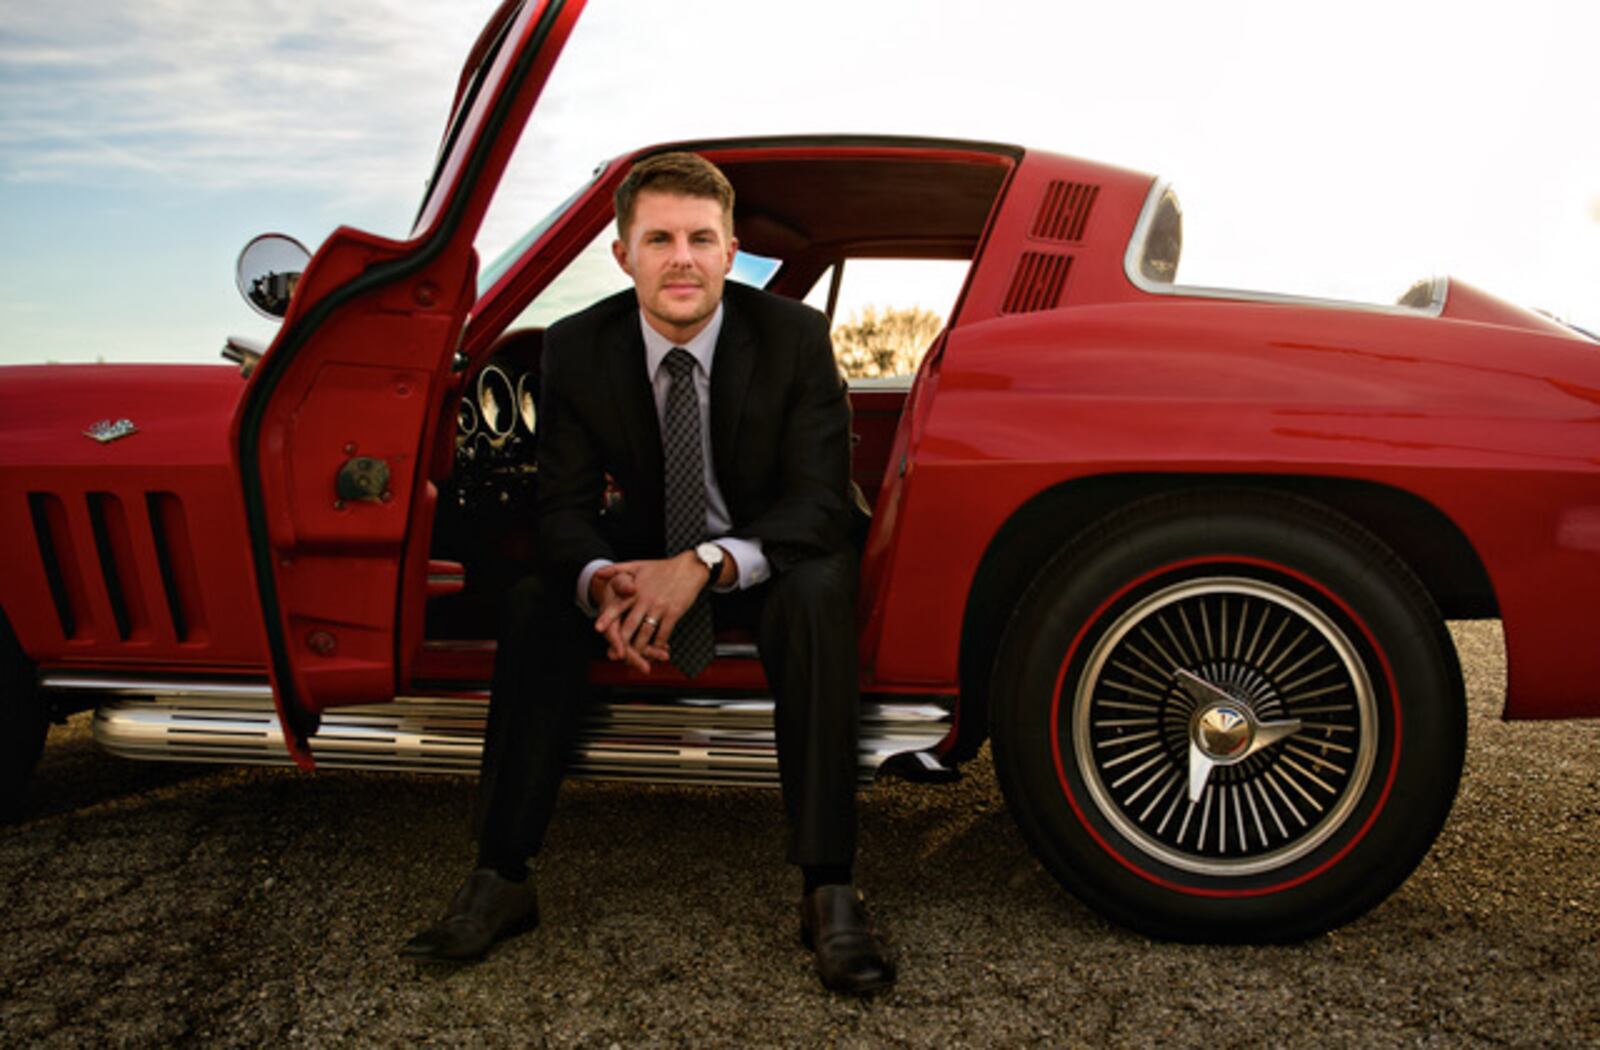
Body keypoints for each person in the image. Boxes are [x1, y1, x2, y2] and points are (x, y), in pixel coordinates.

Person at [403, 152, 894, 994]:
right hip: (643, 555)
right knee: (535, 602)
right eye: (659, 239)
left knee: (819, 597)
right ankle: (501, 874)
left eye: (701, 239)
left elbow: (819, 500)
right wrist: (605, 583)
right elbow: (559, 508)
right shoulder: (576, 345)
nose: (682, 259)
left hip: (771, 555)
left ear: (731, 251)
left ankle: (829, 888)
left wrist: (702, 565)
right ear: (623, 253)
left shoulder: (794, 336)